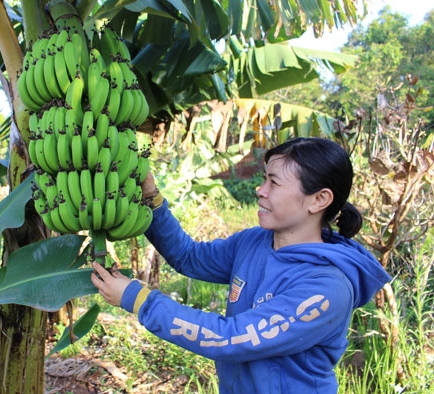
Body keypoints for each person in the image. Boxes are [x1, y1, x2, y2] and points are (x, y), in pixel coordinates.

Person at [91, 137, 391, 394]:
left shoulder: (326, 287)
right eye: (264, 178)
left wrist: (139, 299)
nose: (260, 190)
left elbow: (230, 338)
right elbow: (189, 257)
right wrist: (151, 198)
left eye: (274, 182)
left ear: (319, 199)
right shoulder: (254, 242)